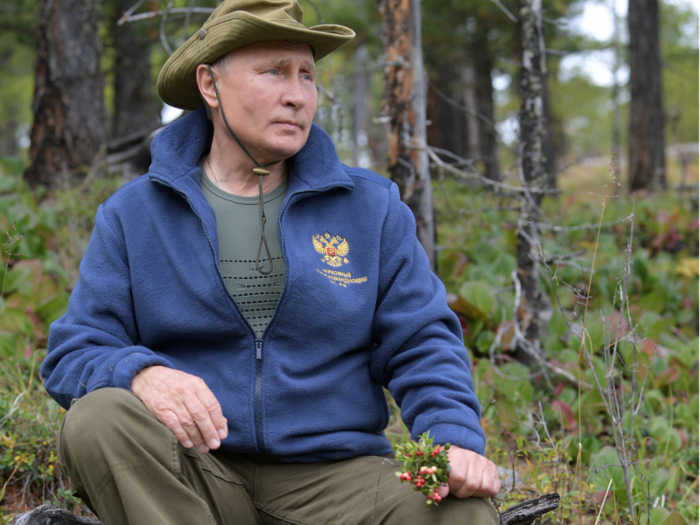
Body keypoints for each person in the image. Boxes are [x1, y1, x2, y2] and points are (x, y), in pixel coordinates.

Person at [41, 0, 501, 523]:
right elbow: (74, 351)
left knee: (461, 514)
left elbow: (422, 341)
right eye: (274, 72)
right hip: (193, 472)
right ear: (210, 86)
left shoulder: (370, 207)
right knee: (97, 418)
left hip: (336, 481)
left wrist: (453, 439)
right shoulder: (133, 214)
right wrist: (140, 373)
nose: (297, 96)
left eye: (307, 75)